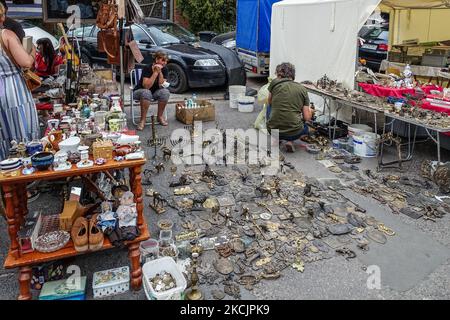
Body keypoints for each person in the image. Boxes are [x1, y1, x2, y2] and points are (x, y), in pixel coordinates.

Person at [0, 2, 39, 160]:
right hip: (13, 89)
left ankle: (6, 169)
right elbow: (26, 63)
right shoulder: (6, 35)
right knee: (22, 128)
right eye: (1, 15)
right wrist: (33, 52)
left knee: (4, 134)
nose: (3, 19)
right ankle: (25, 169)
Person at [267, 62, 312, 153]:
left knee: (269, 106)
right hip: (294, 133)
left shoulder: (274, 83)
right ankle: (290, 141)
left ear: (279, 74)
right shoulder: (302, 89)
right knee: (305, 124)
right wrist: (310, 111)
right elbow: (307, 117)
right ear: (293, 74)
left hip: (272, 129)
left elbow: (270, 101)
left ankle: (276, 139)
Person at [133, 51, 171, 129]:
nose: (165, 63)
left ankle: (159, 116)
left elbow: (161, 86)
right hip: (140, 91)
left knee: (165, 92)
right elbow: (146, 86)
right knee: (146, 92)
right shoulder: (147, 68)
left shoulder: (165, 69)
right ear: (157, 59)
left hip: (154, 92)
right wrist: (155, 73)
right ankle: (142, 120)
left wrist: (160, 73)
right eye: (163, 60)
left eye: (166, 61)